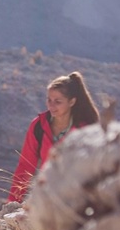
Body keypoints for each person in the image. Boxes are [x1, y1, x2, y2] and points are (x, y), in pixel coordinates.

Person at [7, 71, 100, 202]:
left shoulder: (84, 131)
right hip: (45, 197)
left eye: (58, 101)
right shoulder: (38, 126)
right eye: (49, 100)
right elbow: (25, 167)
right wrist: (13, 203)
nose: (51, 105)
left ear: (72, 102)